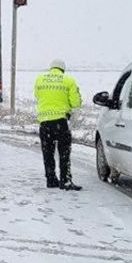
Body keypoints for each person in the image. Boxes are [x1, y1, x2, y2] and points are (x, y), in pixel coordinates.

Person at [35, 58, 83, 190]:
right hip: (61, 122)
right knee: (64, 153)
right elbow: (76, 103)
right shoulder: (68, 80)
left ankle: (51, 180)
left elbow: (37, 95)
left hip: (44, 123)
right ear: (62, 69)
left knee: (47, 153)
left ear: (51, 68)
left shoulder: (39, 79)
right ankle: (65, 181)